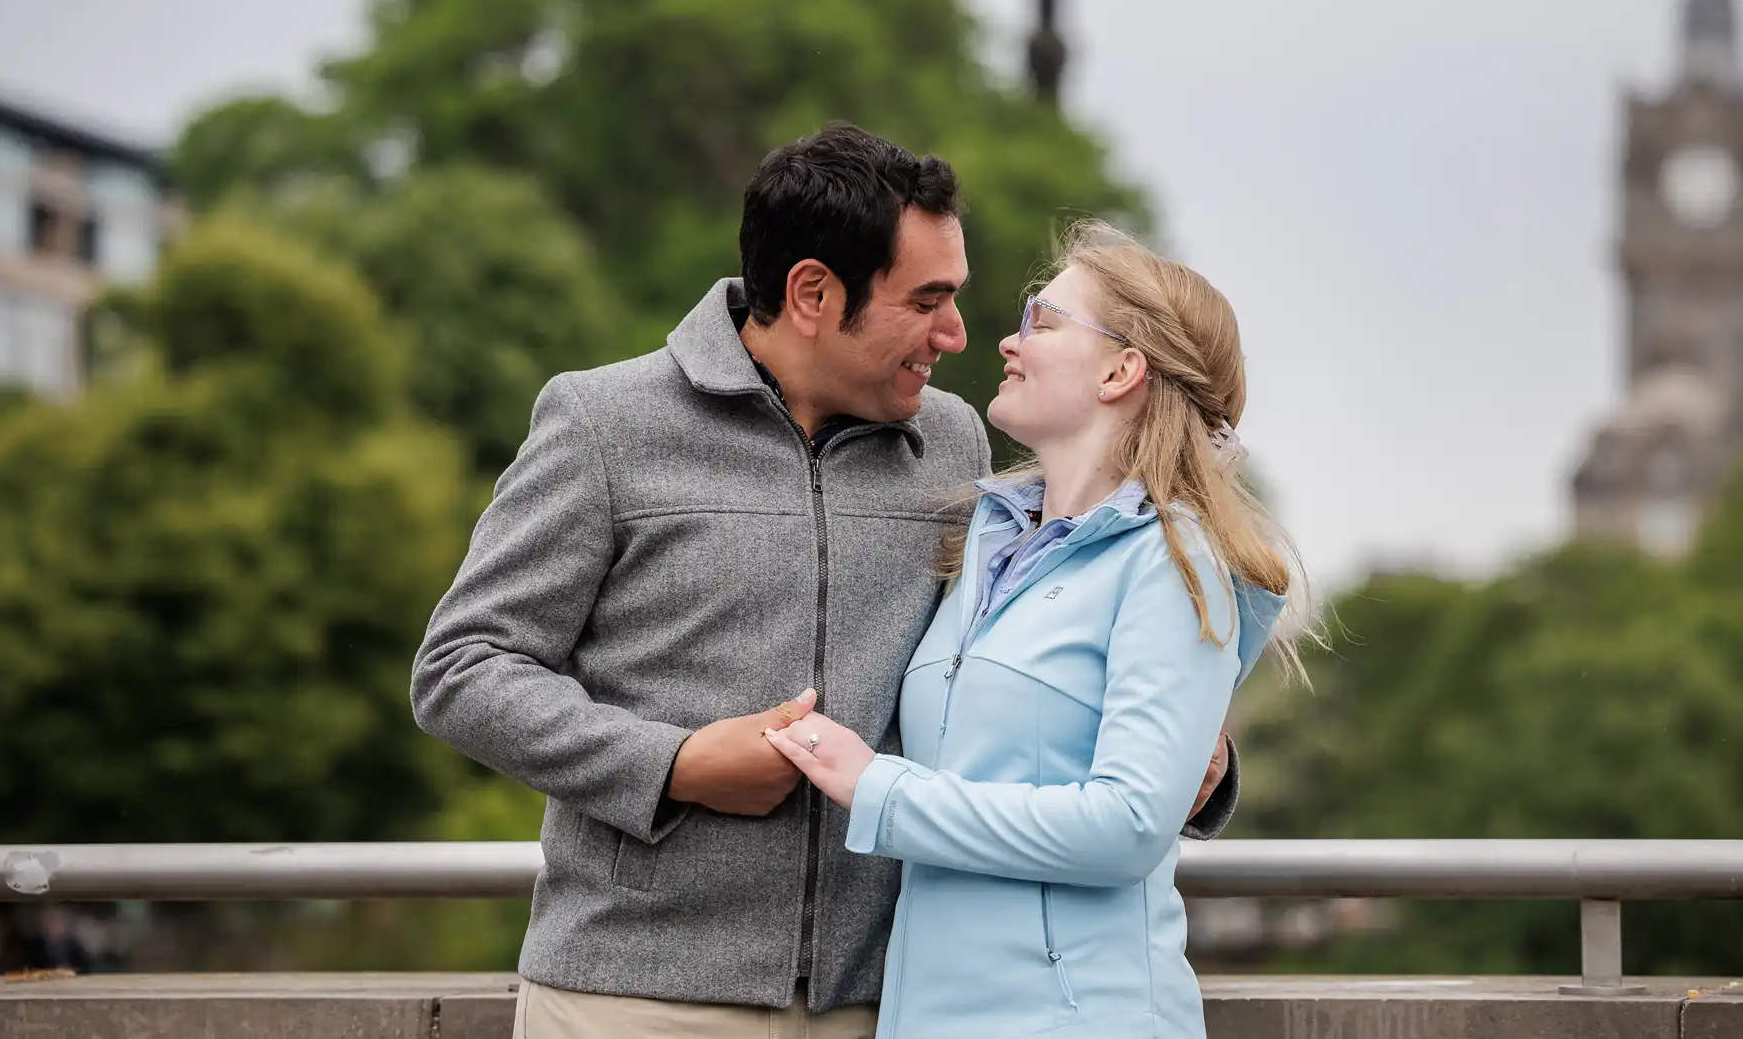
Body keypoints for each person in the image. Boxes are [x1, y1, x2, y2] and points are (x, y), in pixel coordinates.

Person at [410, 126, 1240, 1038]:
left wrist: (1186, 753)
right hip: (631, 994)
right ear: (813, 293)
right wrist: (673, 765)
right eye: (926, 300)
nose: (957, 333)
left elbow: (1041, 653)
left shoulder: (954, 445)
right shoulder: (604, 424)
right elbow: (462, 667)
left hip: (876, 1003)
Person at [763, 220, 1308, 1038]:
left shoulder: (1172, 560)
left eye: (1042, 322)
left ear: (1121, 370)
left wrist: (880, 788)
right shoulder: (982, 538)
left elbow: (1128, 827)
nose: (1009, 342)